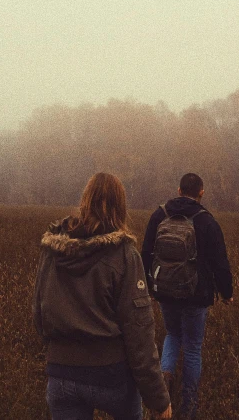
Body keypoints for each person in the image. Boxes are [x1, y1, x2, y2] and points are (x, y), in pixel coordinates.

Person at [33, 172, 172, 420]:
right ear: (120, 207)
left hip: (61, 374)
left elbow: (39, 315)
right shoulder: (124, 255)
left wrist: (62, 352)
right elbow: (139, 333)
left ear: (85, 200)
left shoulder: (52, 251)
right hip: (111, 376)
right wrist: (158, 399)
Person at [142, 173, 233, 420]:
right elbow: (220, 262)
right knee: (193, 347)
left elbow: (145, 252)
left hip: (165, 291)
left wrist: (149, 287)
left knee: (172, 334)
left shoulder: (160, 215)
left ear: (179, 190)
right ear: (201, 192)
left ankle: (165, 383)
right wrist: (227, 293)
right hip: (196, 294)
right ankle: (189, 408)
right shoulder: (207, 221)